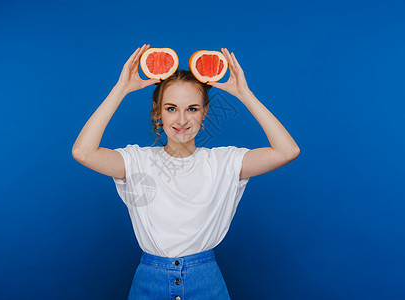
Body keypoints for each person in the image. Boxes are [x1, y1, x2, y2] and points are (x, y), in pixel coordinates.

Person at [72, 44, 300, 299]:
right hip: (149, 282)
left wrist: (244, 94)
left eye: (192, 109)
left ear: (204, 114)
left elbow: (287, 151)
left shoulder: (225, 162)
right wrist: (120, 89)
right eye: (171, 108)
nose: (181, 120)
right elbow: (83, 152)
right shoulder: (137, 161)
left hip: (206, 283)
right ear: (158, 114)